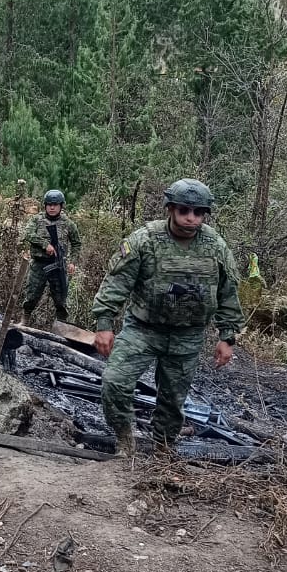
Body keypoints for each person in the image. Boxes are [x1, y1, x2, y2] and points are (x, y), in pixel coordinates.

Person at [90, 178, 244, 456]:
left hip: (188, 334)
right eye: (184, 210)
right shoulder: (145, 240)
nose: (191, 218)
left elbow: (228, 292)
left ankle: (163, 446)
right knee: (114, 382)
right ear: (170, 209)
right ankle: (125, 438)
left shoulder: (215, 246)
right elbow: (117, 282)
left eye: (198, 212)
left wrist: (227, 336)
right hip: (143, 329)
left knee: (173, 400)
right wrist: (104, 323)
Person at [21, 189, 81, 322]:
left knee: (61, 299)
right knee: (31, 295)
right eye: (49, 205)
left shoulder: (68, 224)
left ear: (61, 206)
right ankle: (24, 320)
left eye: (55, 205)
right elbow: (28, 234)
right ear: (45, 205)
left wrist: (73, 262)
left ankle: (61, 325)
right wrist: (45, 245)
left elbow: (76, 244)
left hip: (58, 265)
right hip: (39, 265)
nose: (52, 207)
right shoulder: (37, 220)